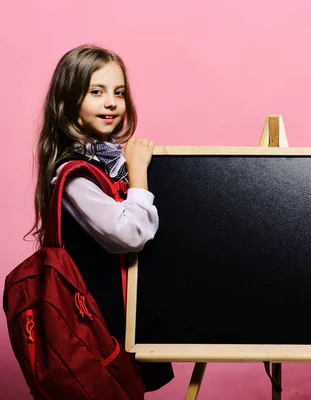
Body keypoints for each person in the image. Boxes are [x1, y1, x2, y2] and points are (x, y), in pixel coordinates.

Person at [28, 44, 173, 392]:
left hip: (119, 315)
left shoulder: (110, 163)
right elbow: (129, 234)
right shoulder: (75, 174)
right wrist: (139, 174)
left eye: (118, 92)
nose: (111, 102)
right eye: (97, 92)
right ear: (68, 104)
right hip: (94, 321)